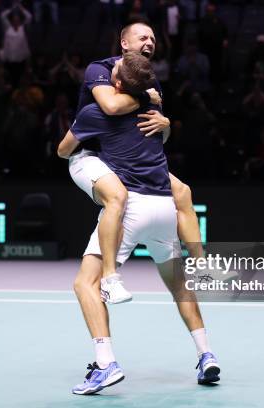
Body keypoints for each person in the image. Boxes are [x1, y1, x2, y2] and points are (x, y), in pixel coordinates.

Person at [57, 52, 220, 394]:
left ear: (116, 84)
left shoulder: (94, 112)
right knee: (178, 285)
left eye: (113, 71)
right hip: (165, 209)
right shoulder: (154, 113)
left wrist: (84, 139)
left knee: (85, 285)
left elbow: (63, 150)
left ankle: (105, 364)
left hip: (131, 207)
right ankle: (206, 355)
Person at [66, 22, 205, 304]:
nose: (150, 42)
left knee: (183, 192)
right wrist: (145, 98)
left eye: (153, 38)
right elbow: (111, 107)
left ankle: (203, 268)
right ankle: (109, 278)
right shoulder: (100, 69)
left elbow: (152, 135)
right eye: (143, 37)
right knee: (118, 197)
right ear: (124, 43)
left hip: (121, 155)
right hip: (91, 154)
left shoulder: (148, 80)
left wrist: (166, 125)